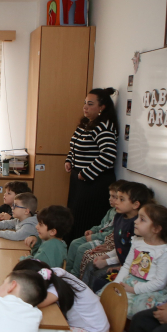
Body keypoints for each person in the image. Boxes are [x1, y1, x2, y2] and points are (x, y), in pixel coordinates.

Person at [107, 204, 167, 319]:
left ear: (156, 229)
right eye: (138, 217)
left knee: (133, 308)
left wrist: (134, 290)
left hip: (148, 290)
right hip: (130, 281)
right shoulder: (137, 241)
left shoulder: (164, 252)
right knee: (109, 297)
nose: (135, 221)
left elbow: (159, 282)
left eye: (142, 219)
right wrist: (116, 283)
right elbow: (127, 266)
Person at [65, 88, 119, 242]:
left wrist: (86, 173)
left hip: (93, 182)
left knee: (84, 217)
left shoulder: (104, 127)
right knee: (74, 214)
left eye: (90, 104)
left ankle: (80, 249)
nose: (85, 107)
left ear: (102, 107)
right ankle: (70, 248)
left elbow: (108, 155)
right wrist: (69, 160)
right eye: (85, 103)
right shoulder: (85, 124)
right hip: (79, 179)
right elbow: (74, 146)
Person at [81, 181, 154, 292]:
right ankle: (82, 295)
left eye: (121, 199)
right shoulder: (119, 217)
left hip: (132, 267)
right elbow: (120, 248)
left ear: (135, 205)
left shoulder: (138, 226)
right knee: (91, 265)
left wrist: (107, 262)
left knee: (98, 277)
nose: (116, 202)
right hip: (122, 262)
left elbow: (134, 256)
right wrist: (105, 257)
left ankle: (93, 299)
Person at [67, 179, 126, 273]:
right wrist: (93, 230)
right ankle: (67, 271)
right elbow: (101, 225)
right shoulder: (111, 211)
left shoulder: (121, 216)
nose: (110, 199)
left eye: (114, 197)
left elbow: (111, 234)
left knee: (82, 249)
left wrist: (94, 236)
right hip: (97, 235)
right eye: (110, 196)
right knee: (74, 243)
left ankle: (75, 274)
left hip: (103, 240)